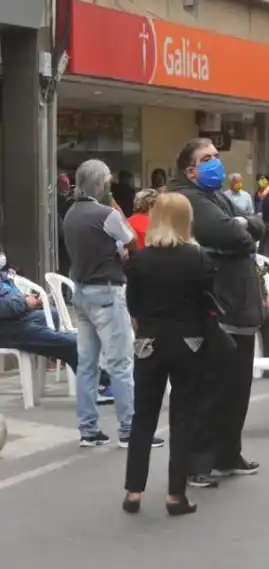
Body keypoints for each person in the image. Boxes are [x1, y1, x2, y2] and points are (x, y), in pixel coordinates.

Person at [169, 137, 265, 487]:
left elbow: (250, 227)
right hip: (217, 306)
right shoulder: (189, 199)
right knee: (212, 387)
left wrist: (246, 226)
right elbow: (231, 234)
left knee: (237, 386)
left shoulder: (216, 196)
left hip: (237, 304)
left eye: (215, 156)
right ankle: (199, 462)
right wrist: (245, 228)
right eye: (207, 158)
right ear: (191, 170)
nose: (216, 163)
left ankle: (227, 455)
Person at [123, 192, 216, 517]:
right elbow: (209, 303)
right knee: (183, 416)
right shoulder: (198, 257)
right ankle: (176, 495)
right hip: (189, 341)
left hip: (148, 341)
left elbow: (132, 304)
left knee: (143, 416)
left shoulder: (140, 259)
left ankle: (133, 491)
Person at [62, 159, 149, 448]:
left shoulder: (71, 213)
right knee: (121, 363)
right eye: (108, 181)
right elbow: (132, 241)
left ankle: (88, 429)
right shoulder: (106, 214)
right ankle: (129, 430)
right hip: (107, 292)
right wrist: (112, 201)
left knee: (87, 364)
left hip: (82, 292)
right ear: (102, 183)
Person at [0, 253, 78, 373]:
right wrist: (25, 303)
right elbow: (5, 306)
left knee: (53, 315)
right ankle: (102, 384)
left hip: (14, 319)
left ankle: (50, 352)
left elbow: (9, 297)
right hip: (6, 328)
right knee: (72, 343)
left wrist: (26, 299)